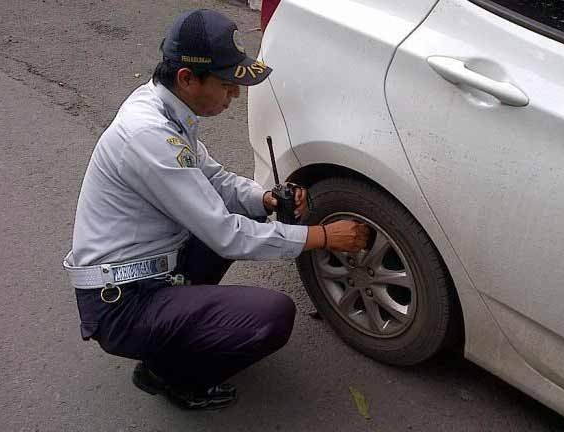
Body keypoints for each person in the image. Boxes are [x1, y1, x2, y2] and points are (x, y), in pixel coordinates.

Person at [62, 8, 369, 410]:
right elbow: (226, 234)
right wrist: (322, 236)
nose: (235, 95)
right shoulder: (149, 136)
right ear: (188, 79)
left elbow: (214, 179)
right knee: (273, 315)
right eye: (227, 84)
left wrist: (265, 199)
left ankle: (180, 325)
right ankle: (171, 376)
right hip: (121, 303)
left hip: (151, 268)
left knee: (250, 210)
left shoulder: (164, 107)